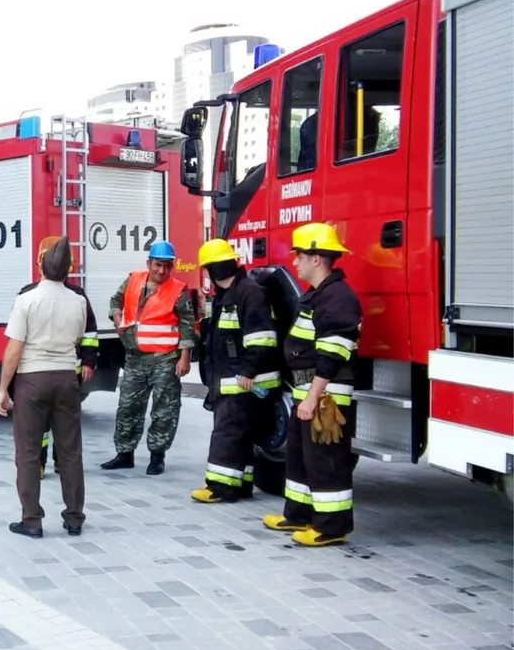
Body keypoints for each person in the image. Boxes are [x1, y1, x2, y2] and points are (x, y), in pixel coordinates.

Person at [263, 222, 361, 547]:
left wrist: (312, 398)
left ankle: (331, 528)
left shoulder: (338, 297)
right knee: (300, 457)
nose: (294, 262)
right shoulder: (318, 294)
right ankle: (298, 515)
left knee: (325, 461)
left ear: (316, 258)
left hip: (325, 395)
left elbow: (331, 355)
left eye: (299, 256)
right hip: (307, 392)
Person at [0, 237, 88, 539]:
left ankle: (31, 520)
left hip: (32, 381)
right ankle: (74, 518)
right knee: (70, 451)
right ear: (68, 270)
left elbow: (14, 349)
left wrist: (3, 389)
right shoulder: (79, 301)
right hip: (66, 379)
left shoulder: (26, 300)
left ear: (41, 266)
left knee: (27, 451)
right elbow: (78, 339)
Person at [190, 239, 284, 504]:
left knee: (227, 434)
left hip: (244, 382)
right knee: (241, 436)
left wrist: (247, 371)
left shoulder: (249, 293)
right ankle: (240, 484)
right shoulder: (230, 294)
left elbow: (262, 338)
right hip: (235, 380)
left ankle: (220, 487)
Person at [100, 241, 196, 475]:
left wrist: (184, 357)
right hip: (135, 358)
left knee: (164, 409)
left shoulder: (178, 290)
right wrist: (117, 318)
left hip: (165, 359)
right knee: (128, 406)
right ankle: (125, 455)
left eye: (167, 266)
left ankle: (157, 457)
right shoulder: (133, 280)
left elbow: (187, 325)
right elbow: (115, 300)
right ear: (149, 263)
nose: (162, 271)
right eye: (158, 265)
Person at [18, 236, 99, 480]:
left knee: (64, 424)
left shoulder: (78, 295)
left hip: (66, 371)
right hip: (48, 373)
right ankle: (40, 463)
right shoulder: (27, 294)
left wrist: (88, 361)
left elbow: (89, 332)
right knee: (42, 425)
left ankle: (62, 463)